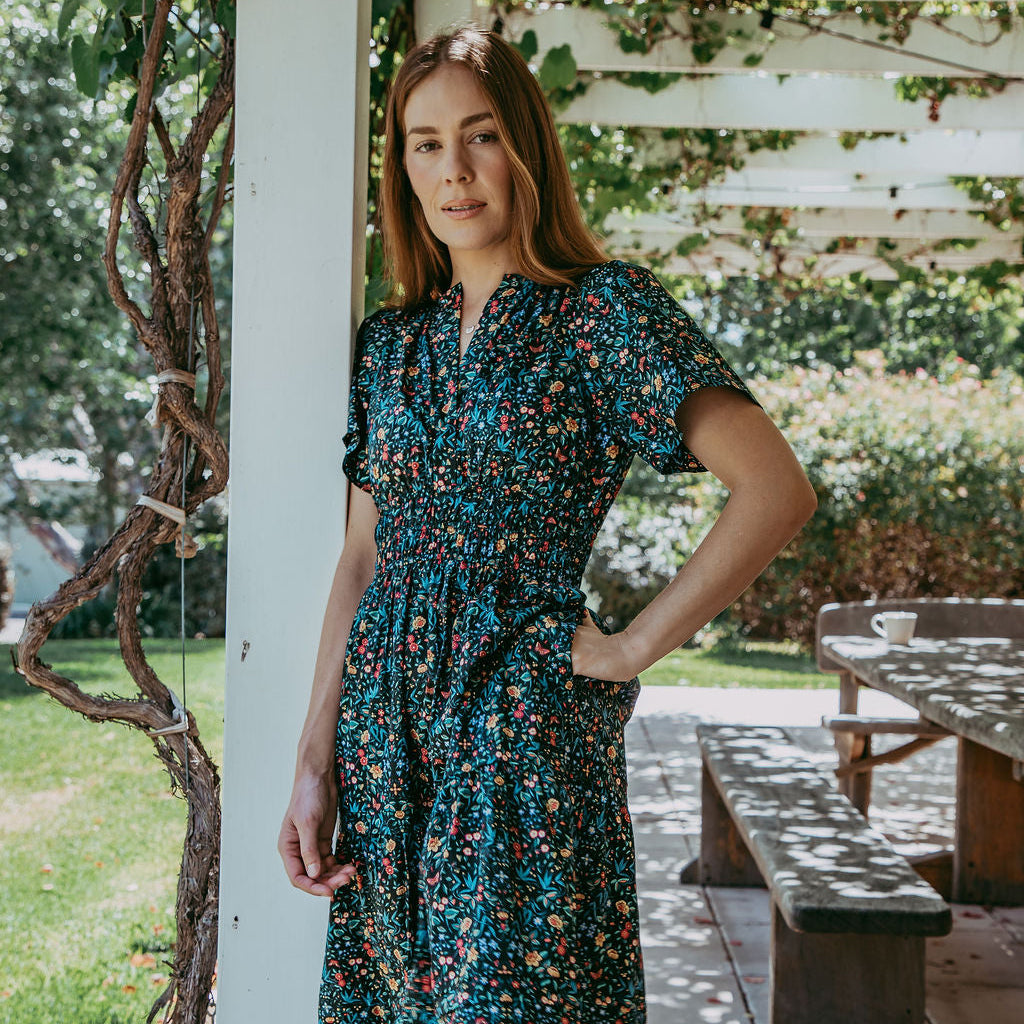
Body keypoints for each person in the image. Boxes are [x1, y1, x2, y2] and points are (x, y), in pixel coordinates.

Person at [278, 25, 817, 1024]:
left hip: (522, 733)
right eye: (424, 143)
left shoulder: (602, 313)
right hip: (384, 747)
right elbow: (362, 558)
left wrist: (630, 647)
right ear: (402, 165)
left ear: (522, 145)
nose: (454, 170)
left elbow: (775, 489)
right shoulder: (392, 345)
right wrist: (314, 758)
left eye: (478, 136)